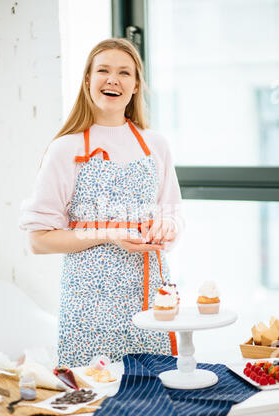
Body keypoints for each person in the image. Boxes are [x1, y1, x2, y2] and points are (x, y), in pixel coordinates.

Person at [19, 38, 185, 367]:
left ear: (136, 85)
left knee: (152, 393)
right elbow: (38, 240)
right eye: (103, 70)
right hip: (89, 307)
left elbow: (173, 214)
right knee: (92, 398)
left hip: (150, 298)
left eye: (124, 72)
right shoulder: (65, 149)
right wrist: (109, 235)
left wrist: (168, 227)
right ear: (87, 80)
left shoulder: (156, 145)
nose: (113, 79)